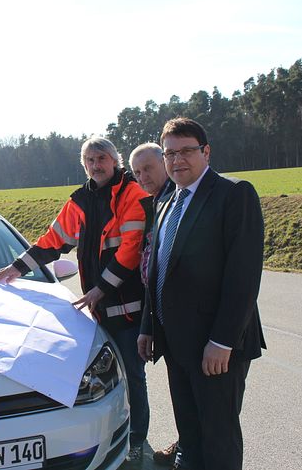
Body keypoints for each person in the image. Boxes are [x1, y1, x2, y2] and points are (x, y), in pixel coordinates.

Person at [0, 135, 150, 465]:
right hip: (96, 308)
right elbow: (53, 241)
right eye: (89, 161)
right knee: (102, 383)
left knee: (132, 376)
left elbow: (131, 249)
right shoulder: (80, 200)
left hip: (128, 308)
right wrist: (17, 268)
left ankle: (136, 440)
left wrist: (100, 289)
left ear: (115, 161)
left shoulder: (132, 194)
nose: (96, 165)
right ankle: (106, 436)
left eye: (102, 158)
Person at [137, 118, 266, 470]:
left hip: (215, 347)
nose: (177, 160)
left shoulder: (233, 194)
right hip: (176, 345)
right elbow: (156, 269)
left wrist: (222, 341)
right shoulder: (166, 202)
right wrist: (149, 325)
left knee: (218, 437)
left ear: (206, 152)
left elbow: (243, 277)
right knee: (190, 434)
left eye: (186, 151)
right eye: (170, 153)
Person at [128, 142, 181, 467]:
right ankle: (186, 446)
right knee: (184, 395)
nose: (143, 176)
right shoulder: (157, 202)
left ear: (163, 162)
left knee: (212, 407)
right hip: (168, 320)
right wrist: (149, 326)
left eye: (148, 168)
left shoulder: (181, 198)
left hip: (199, 323)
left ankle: (189, 451)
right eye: (136, 172)